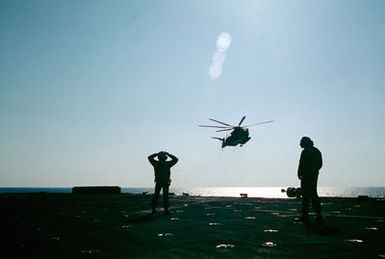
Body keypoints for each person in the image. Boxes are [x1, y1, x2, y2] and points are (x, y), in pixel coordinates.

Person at [297, 136, 323, 224]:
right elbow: (320, 163)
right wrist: (314, 171)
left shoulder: (305, 152)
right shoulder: (316, 151)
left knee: (306, 196)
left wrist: (300, 173)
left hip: (307, 176)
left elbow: (301, 164)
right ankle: (318, 214)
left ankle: (305, 216)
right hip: (313, 175)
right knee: (313, 194)